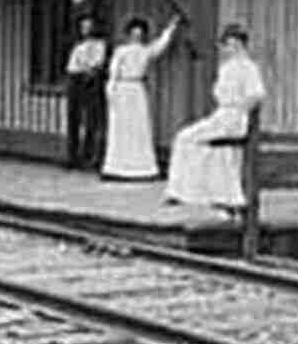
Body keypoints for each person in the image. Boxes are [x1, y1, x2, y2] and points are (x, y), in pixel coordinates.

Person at [163, 23, 265, 219]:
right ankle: (210, 195)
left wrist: (238, 108)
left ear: (238, 44)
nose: (227, 49)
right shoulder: (227, 67)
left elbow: (257, 95)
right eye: (225, 45)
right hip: (222, 115)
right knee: (191, 141)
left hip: (233, 118)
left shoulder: (248, 67)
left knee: (187, 139)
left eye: (229, 44)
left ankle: (185, 192)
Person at [101, 15, 179, 180]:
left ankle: (142, 168)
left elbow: (160, 45)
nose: (136, 37)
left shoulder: (146, 51)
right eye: (133, 34)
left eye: (140, 34)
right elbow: (113, 73)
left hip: (137, 91)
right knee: (121, 129)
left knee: (139, 129)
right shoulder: (120, 51)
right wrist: (111, 94)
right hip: (122, 90)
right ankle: (116, 167)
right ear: (128, 34)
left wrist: (171, 28)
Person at [64, 14, 108, 170]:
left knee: (92, 119)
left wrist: (88, 70)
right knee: (73, 118)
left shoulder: (100, 45)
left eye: (89, 27)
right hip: (74, 79)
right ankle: (72, 156)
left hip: (89, 81)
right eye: (83, 27)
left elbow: (96, 64)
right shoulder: (78, 46)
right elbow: (73, 65)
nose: (86, 30)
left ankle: (89, 156)